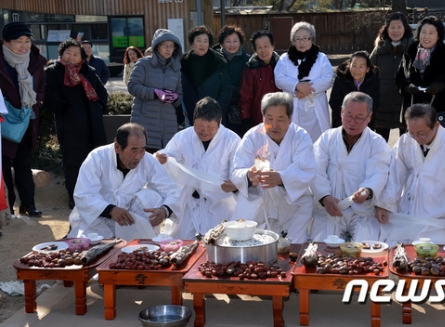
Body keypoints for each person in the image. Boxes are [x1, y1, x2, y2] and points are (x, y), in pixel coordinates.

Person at [375, 104, 445, 244]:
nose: (416, 138)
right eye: (412, 132)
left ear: (436, 125)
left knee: (439, 260)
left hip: (443, 218)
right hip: (411, 215)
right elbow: (393, 175)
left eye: (421, 133)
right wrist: (384, 204)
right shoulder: (405, 141)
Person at [68, 123, 181, 239]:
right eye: (134, 150)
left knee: (152, 196)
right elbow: (84, 194)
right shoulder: (97, 158)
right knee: (91, 249)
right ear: (117, 148)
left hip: (128, 219)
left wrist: (164, 210)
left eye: (142, 149)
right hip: (96, 219)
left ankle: (139, 240)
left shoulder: (148, 160)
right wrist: (110, 210)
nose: (138, 156)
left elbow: (172, 190)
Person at [231, 92, 316, 243]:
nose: (274, 125)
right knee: (248, 248)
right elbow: (236, 170)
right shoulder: (252, 136)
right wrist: (248, 176)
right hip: (259, 202)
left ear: (290, 118)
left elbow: (307, 170)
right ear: (262, 116)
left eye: (280, 119)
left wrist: (281, 178)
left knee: (292, 251)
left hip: (294, 205)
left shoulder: (301, 137)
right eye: (269, 118)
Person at [155, 97, 240, 239]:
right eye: (200, 126)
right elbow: (167, 156)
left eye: (210, 127)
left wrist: (235, 183)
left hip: (219, 202)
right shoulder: (183, 137)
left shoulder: (232, 140)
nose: (204, 131)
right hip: (189, 201)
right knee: (184, 244)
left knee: (219, 244)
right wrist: (162, 158)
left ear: (220, 122)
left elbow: (237, 170)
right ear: (193, 120)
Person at [311, 92, 390, 242]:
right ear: (341, 112)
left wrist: (367, 190)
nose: (352, 122)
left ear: (369, 117)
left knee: (366, 253)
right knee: (320, 251)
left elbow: (379, 173)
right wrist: (325, 197)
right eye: (348, 115)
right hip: (330, 209)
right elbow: (316, 170)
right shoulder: (327, 138)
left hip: (362, 213)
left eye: (359, 117)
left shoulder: (377, 142)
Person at [45, 38, 108, 210]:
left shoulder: (89, 70)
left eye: (76, 54)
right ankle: (74, 196)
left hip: (93, 122)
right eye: (68, 53)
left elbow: (102, 91)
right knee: (73, 161)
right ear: (61, 54)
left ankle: (96, 194)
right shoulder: (53, 72)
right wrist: (64, 108)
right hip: (70, 124)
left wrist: (98, 107)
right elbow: (49, 95)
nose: (72, 57)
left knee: (96, 160)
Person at [1, 22, 47, 217]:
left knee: (23, 163)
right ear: (5, 42)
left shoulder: (34, 60)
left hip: (27, 119)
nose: (24, 45)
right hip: (3, 122)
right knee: (3, 166)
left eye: (27, 40)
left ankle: (28, 204)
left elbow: (41, 86)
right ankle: (7, 206)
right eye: (18, 41)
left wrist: (36, 105)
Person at [395, 16, 445, 129]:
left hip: (439, 111)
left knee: (437, 145)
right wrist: (407, 87)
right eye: (424, 32)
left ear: (438, 35)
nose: (426, 36)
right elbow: (399, 79)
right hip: (413, 111)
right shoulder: (410, 53)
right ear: (419, 33)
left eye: (431, 33)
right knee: (413, 144)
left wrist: (442, 85)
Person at [274, 21, 334, 142]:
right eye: (297, 39)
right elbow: (279, 78)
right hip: (294, 104)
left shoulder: (321, 58)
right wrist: (297, 86)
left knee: (318, 143)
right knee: (294, 141)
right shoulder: (285, 59)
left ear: (312, 39)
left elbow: (328, 78)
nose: (301, 42)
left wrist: (307, 89)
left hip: (315, 106)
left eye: (305, 38)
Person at [128, 29, 183, 153]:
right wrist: (155, 93)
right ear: (157, 47)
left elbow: (180, 96)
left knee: (164, 166)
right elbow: (132, 86)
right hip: (145, 123)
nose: (168, 49)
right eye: (165, 46)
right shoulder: (143, 64)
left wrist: (174, 97)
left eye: (171, 46)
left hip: (168, 127)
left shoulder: (176, 69)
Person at [370, 12, 414, 141]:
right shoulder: (379, 49)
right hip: (382, 104)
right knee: (380, 144)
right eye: (392, 27)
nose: (396, 31)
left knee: (408, 144)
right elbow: (368, 72)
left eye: (399, 27)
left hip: (405, 104)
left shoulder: (414, 49)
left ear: (405, 29)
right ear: (386, 29)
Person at [181, 26, 232, 127]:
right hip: (190, 113)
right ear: (192, 42)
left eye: (205, 41)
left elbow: (226, 89)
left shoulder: (218, 61)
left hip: (214, 113)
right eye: (199, 41)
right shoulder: (183, 62)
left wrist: (217, 109)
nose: (202, 44)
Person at [239, 30, 281, 130]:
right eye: (259, 47)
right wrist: (245, 118)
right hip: (258, 118)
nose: (263, 50)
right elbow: (245, 97)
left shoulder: (282, 65)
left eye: (266, 46)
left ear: (273, 46)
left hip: (280, 116)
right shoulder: (250, 68)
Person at [329, 51, 380, 129]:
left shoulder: (373, 80)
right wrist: (349, 115)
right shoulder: (341, 79)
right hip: (343, 122)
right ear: (349, 65)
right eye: (354, 65)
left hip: (364, 123)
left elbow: (375, 103)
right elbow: (334, 102)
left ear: (367, 69)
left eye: (361, 66)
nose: (357, 70)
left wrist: (360, 116)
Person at [216, 25, 250, 136]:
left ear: (240, 42)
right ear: (222, 43)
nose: (232, 45)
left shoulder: (248, 60)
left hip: (241, 108)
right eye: (228, 41)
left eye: (235, 41)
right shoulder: (215, 59)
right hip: (219, 107)